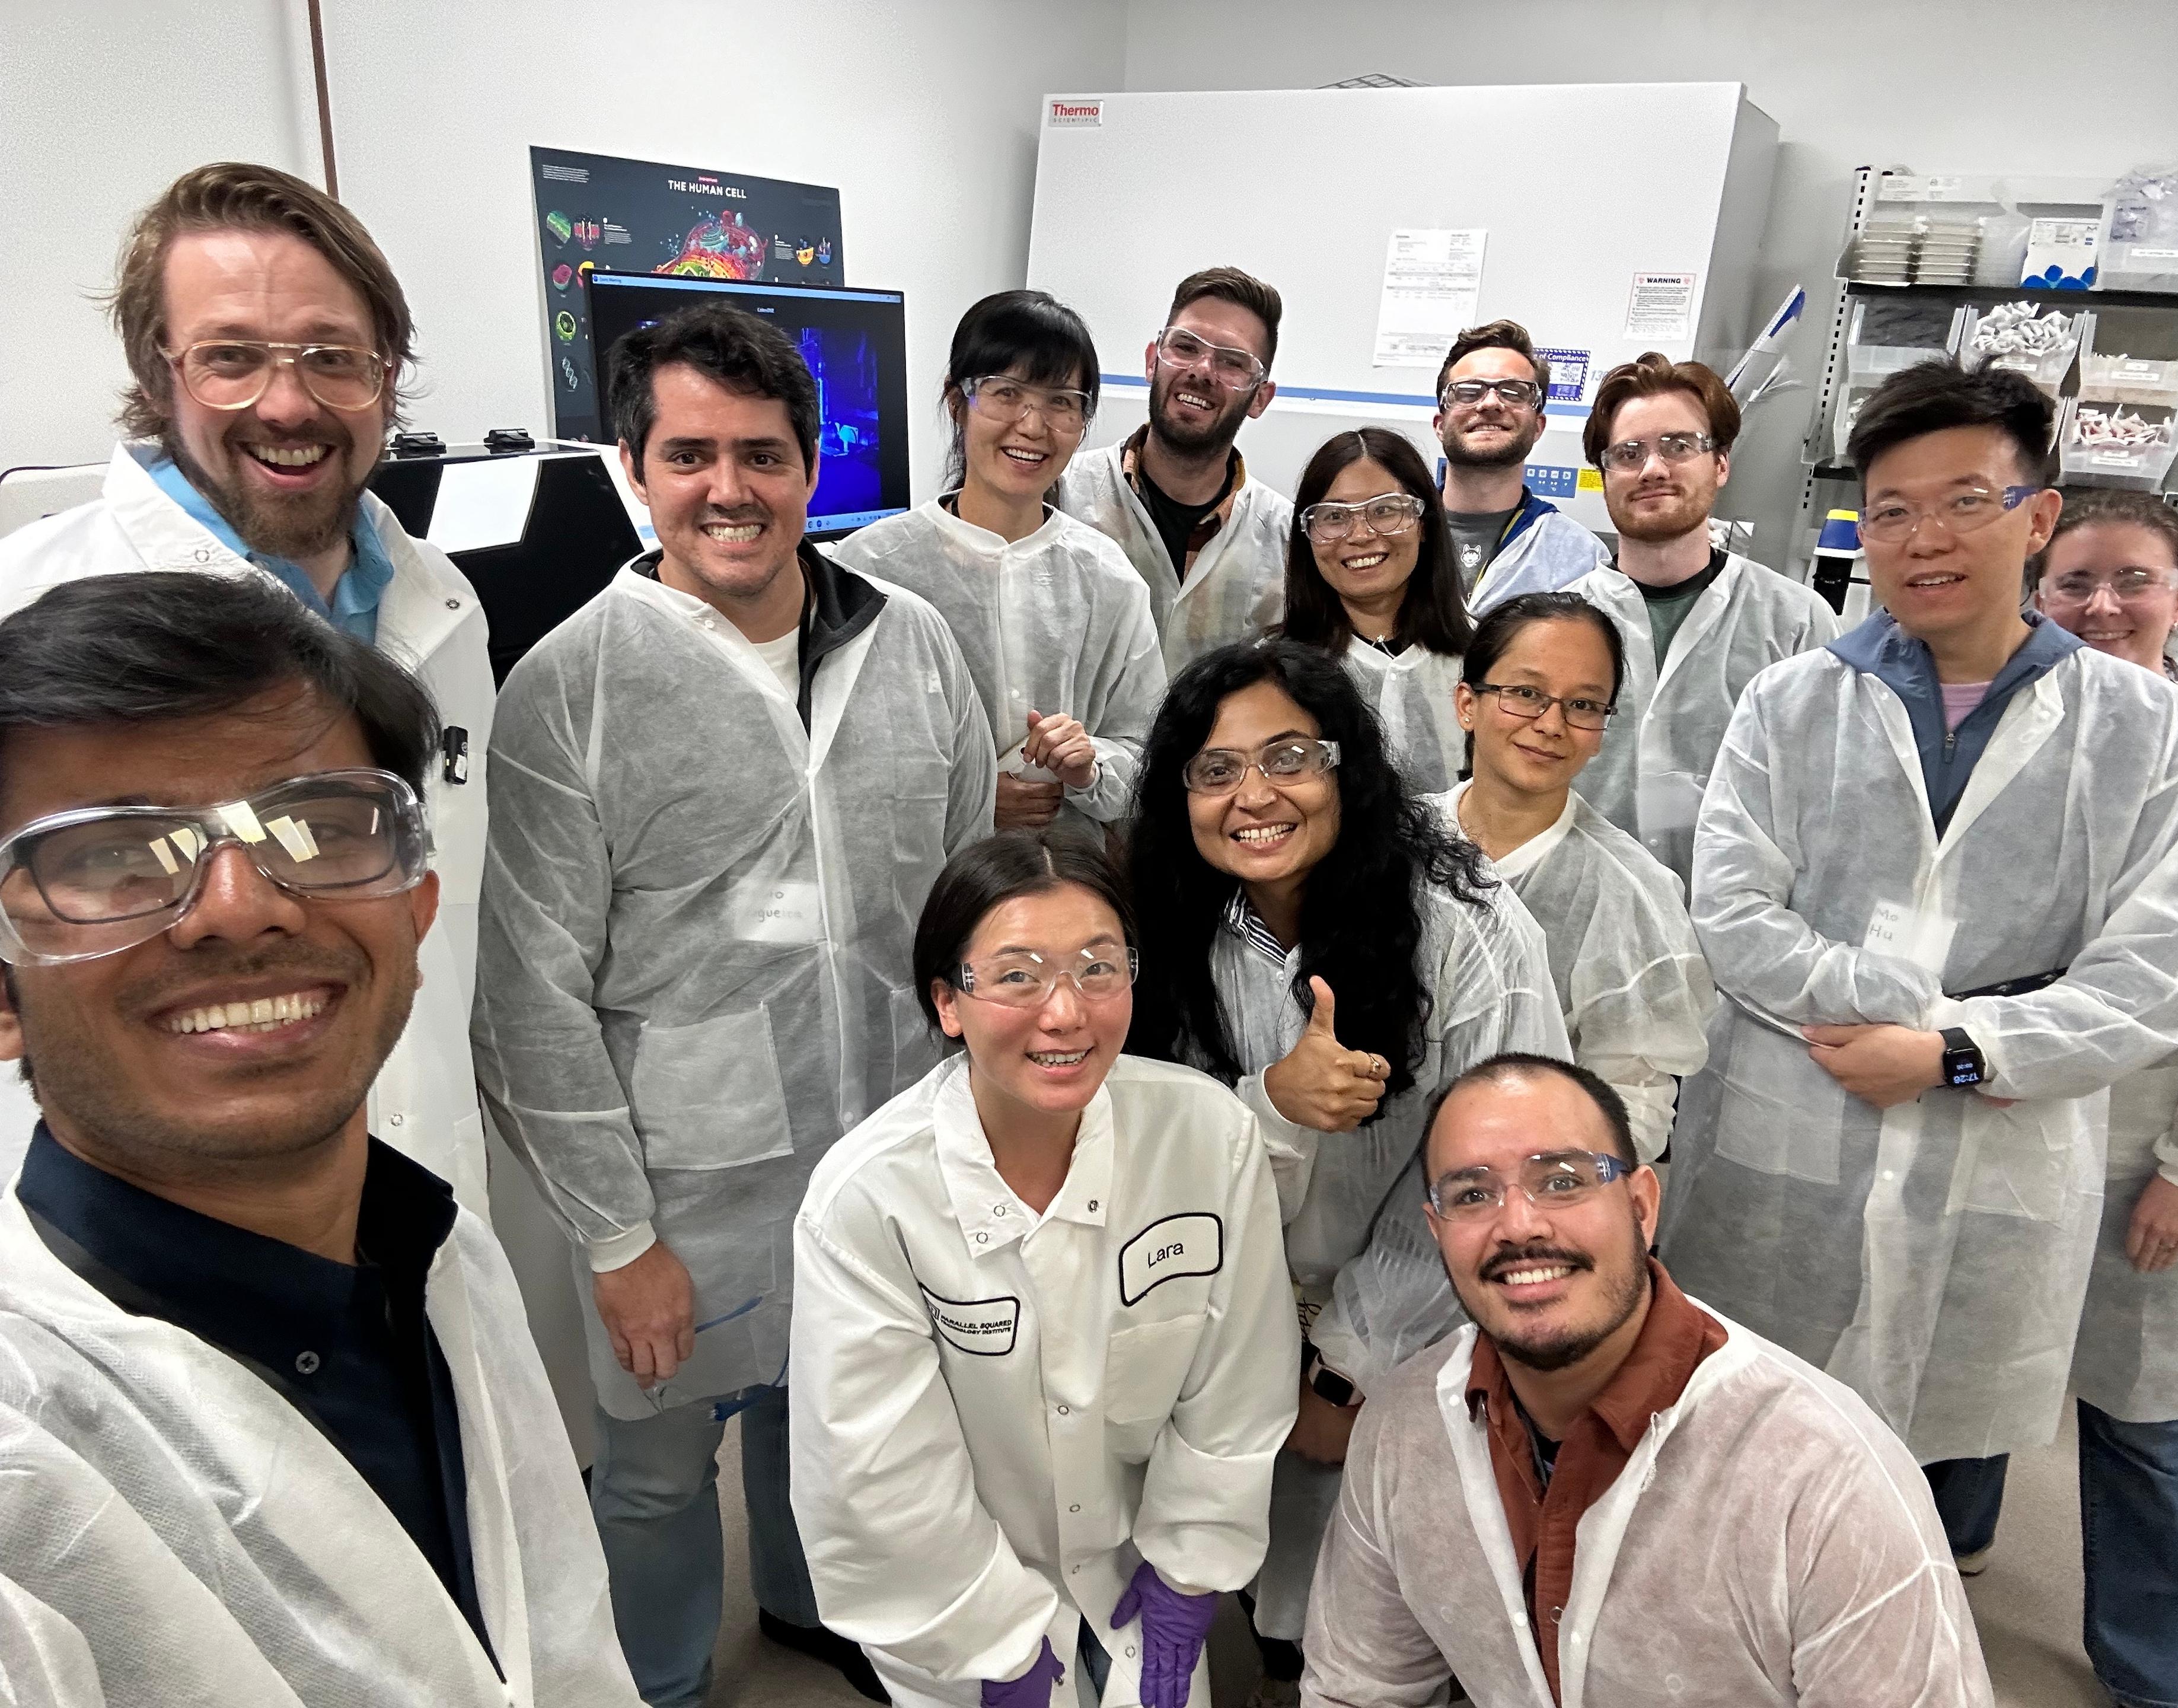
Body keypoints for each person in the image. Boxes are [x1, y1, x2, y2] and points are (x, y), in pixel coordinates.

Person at [471, 302, 994, 1708]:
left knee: (833, 1406)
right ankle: (658, 1678)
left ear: (807, 468)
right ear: (635, 467)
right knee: (653, 1464)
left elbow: (968, 912)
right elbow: (528, 993)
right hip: (680, 1173)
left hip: (884, 1132)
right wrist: (616, 1234)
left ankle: (813, 1605)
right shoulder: (569, 686)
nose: (728, 490)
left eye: (761, 455)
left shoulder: (915, 645)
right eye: (688, 453)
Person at [0, 573, 637, 1706]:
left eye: (315, 826)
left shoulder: (441, 1264)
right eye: (115, 854)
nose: (242, 904)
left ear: (418, 909)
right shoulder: (22, 1462)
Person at [1658, 361, 2178, 1575]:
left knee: (1912, 1507)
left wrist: (1955, 1053)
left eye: (1966, 501)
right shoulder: (1790, 703)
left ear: (2038, 516)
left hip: (1994, 1154)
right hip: (1790, 1142)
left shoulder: (2145, 731)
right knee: (1741, 1465)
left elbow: (2162, 973)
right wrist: (1942, 1016)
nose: (1923, 539)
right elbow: (1736, 915)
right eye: (1893, 510)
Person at [0, 161, 493, 1213]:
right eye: (230, 359)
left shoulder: (442, 607)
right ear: (159, 370)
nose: (287, 402)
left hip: (412, 1185)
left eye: (333, 358)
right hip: (125, 1227)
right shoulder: (27, 610)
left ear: (386, 376)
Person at [1124, 636, 1567, 1701]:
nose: (1254, 797)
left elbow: (1498, 1177)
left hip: (1412, 1329)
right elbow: (1135, 1135)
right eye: (1216, 771)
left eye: (1290, 758)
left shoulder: (1463, 928)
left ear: (1347, 768)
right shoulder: (1165, 926)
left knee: (1395, 1608)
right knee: (1254, 1586)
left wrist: (1342, 1361)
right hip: (1221, 1317)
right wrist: (1267, 1103)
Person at [1301, 1054, 1994, 1707]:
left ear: (1640, 1205)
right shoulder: (1404, 1426)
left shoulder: (1825, 1483)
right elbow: (1356, 1689)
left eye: (1562, 1180)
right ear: (1436, 1229)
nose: (1518, 1225)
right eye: (1473, 1194)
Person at [792, 831, 1300, 1708]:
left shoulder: (1207, 1138)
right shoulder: (869, 1200)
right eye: (1019, 975)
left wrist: (1188, 1574)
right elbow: (877, 1473)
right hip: (962, 1608)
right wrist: (988, 1642)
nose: (1066, 1013)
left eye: (1100, 968)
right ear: (948, 1001)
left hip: (1145, 1580)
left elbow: (1238, 1385)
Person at [2022, 490, 2178, 1708]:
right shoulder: (2006, 735)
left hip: (2147, 1147)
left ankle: (2157, 1668)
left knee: (2132, 1410)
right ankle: (1953, 1548)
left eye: (2133, 580)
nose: (2102, 606)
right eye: (2074, 583)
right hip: (2001, 1127)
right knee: (1964, 1364)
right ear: (2036, 594)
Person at [835, 290, 1165, 838]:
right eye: (1006, 392)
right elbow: (837, 761)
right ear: (957, 402)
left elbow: (1146, 750)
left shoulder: (1107, 577)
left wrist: (1087, 768)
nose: (1033, 426)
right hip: (921, 896)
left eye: (1062, 401)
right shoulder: (869, 569)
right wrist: (967, 798)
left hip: (1062, 884)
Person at [1432, 593, 1711, 1159]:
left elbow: (1635, 1097)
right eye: (1527, 694)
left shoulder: (1632, 894)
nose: (1552, 724)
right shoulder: (1391, 840)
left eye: (1584, 705)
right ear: (1468, 703)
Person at [1566, 353, 1837, 889]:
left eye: (1679, 446)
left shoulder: (1797, 624)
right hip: (1581, 914)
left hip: (1740, 922)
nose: (1653, 469)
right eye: (1628, 453)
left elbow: (1826, 799)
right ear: (1605, 475)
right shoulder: (1558, 624)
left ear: (1721, 463)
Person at [1058, 267, 1294, 674]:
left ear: (1260, 398)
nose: (1202, 370)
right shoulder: (1060, 494)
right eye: (1186, 346)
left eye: (1232, 362)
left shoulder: (1287, 539)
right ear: (1153, 361)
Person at [1280, 428, 1472, 794]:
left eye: (1384, 510)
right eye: (1334, 517)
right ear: (1308, 535)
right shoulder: (1272, 672)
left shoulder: (1487, 658)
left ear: (1424, 525)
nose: (1360, 535)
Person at [1432, 320, 1608, 611]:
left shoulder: (1582, 557)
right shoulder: (1390, 534)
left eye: (1513, 392)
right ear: (1440, 425)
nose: (1490, 404)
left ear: (1538, 427)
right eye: (1468, 391)